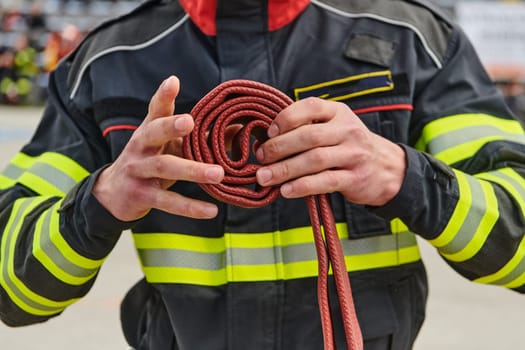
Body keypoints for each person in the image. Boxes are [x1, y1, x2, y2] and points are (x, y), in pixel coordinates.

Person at [1, 0, 525, 349]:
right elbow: (12, 290)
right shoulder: (108, 62)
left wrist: (402, 177)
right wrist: (98, 202)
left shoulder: (413, 39)